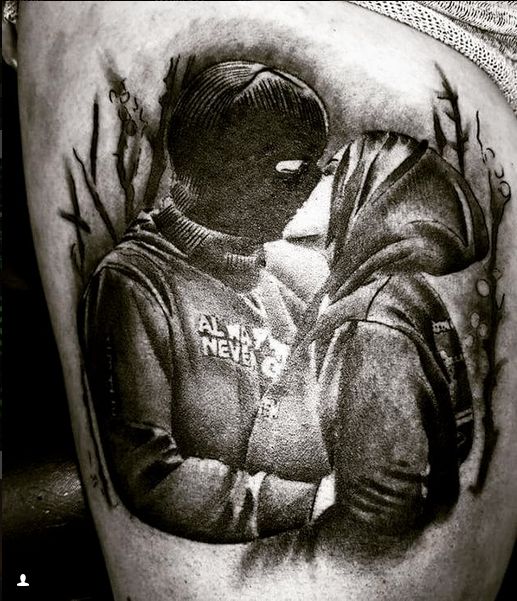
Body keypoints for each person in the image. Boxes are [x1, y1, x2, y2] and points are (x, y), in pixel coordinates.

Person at [79, 60, 333, 543]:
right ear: (223, 167)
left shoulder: (282, 282)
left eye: (316, 171)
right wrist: (310, 501)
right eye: (292, 171)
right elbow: (150, 475)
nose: (308, 189)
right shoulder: (133, 284)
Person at [248, 131, 489, 552]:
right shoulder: (396, 293)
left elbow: (378, 517)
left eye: (328, 171)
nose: (306, 186)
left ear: (371, 193)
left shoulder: (374, 326)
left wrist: (268, 569)